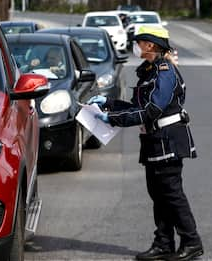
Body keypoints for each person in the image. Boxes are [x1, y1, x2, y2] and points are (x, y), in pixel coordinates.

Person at [87, 25, 203, 261]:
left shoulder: (164, 71)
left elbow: (152, 110)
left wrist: (112, 119)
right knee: (158, 195)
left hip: (168, 142)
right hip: (154, 142)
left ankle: (192, 242)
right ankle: (163, 243)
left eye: (139, 41)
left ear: (150, 45)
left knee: (172, 195)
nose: (136, 45)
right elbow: (137, 107)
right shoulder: (150, 71)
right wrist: (109, 104)